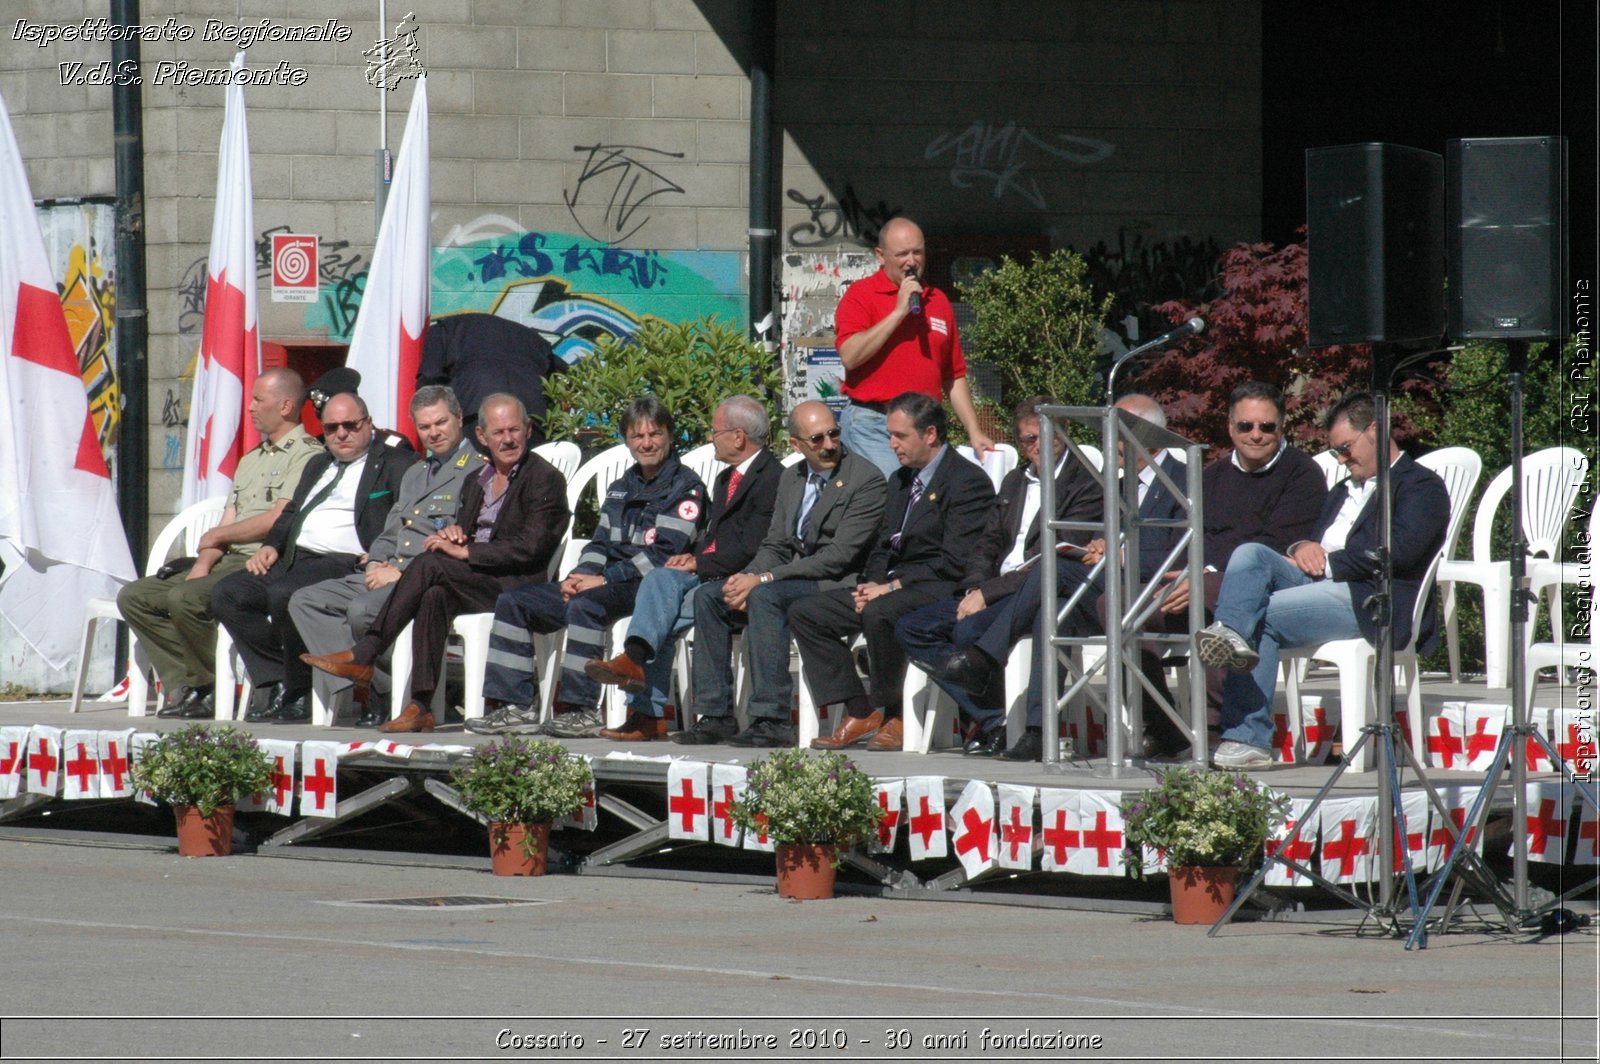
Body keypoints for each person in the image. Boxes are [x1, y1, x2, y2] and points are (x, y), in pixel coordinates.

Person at [1197, 391, 1450, 769]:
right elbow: (1312, 538)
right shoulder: (1343, 490)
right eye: (1336, 453)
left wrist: (1329, 563)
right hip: (1320, 583)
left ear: (1376, 431)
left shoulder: (1419, 487)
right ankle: (1229, 632)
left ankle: (1248, 737)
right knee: (1249, 554)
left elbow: (1397, 553)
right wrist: (1301, 546)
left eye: (1346, 448)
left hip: (1370, 597)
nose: (1343, 459)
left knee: (1259, 615)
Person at [303, 394, 570, 733]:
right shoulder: (479, 480)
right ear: (483, 437)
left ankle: (366, 652)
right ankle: (421, 706)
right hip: (477, 580)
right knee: (433, 596)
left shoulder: (543, 478)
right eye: (498, 432)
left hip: (517, 586)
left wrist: (467, 553)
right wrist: (458, 536)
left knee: (431, 565)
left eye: (514, 430)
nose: (507, 439)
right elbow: (469, 533)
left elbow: (531, 548)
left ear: (528, 430)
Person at [940, 393, 1185, 761]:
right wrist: (1102, 545)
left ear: (1146, 435)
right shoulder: (1119, 485)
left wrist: (1119, 552)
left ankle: (986, 658)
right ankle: (1040, 731)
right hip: (1103, 588)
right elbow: (990, 542)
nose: (1107, 443)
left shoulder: (1182, 480)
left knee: (1054, 571)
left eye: (1115, 434)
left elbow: (1187, 549)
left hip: (1151, 592)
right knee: (1051, 607)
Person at [480, 397, 706, 738]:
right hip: (604, 579)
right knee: (515, 602)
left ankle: (579, 710)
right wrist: (578, 576)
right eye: (637, 436)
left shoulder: (685, 487)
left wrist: (601, 579)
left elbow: (662, 555)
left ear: (670, 436)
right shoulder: (620, 488)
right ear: (627, 440)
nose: (646, 443)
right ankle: (513, 707)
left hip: (643, 586)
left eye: (655, 434)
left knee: (586, 606)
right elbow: (600, 543)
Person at [895, 396, 1103, 755]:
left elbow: (1057, 560)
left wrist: (988, 594)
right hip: (994, 587)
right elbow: (987, 544)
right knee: (911, 626)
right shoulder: (1014, 481)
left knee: (968, 630)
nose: (1037, 446)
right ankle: (995, 718)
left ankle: (989, 685)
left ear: (1065, 433)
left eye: (1046, 436)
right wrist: (975, 587)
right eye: (1027, 440)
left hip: (1033, 590)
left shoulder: (1084, 483)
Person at [674, 400, 887, 748]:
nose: (829, 445)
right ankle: (715, 715)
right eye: (817, 439)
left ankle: (771, 718)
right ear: (795, 445)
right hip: (792, 577)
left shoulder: (865, 480)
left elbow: (838, 557)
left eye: (834, 434)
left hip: (837, 582)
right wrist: (746, 577)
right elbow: (775, 544)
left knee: (765, 596)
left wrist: (764, 580)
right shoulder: (792, 478)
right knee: (710, 596)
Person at [793, 391, 994, 752]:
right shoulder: (900, 480)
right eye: (890, 435)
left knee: (881, 612)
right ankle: (860, 708)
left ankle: (896, 711)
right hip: (891, 586)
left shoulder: (966, 482)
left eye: (900, 436)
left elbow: (956, 561)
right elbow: (883, 544)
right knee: (807, 613)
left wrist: (891, 587)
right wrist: (870, 583)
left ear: (930, 434)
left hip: (939, 586)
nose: (892, 445)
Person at [118, 368, 324, 719]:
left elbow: (277, 519)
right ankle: (190, 682)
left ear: (287, 406)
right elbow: (228, 520)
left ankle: (208, 688)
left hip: (264, 560)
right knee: (135, 597)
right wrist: (203, 560)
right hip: (227, 558)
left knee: (185, 598)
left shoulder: (307, 455)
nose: (252, 407)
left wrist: (215, 537)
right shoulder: (251, 459)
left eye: (260, 399)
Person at [576, 395, 783, 742]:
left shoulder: (772, 478)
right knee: (659, 581)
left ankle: (646, 706)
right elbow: (716, 537)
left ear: (738, 436)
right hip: (709, 572)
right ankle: (640, 684)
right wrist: (695, 558)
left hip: (743, 581)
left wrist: (699, 561)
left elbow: (754, 545)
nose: (709, 439)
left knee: (663, 614)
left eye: (714, 432)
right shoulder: (725, 479)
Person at [1131, 381, 1328, 741]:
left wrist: (1204, 574)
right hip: (1197, 581)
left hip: (1264, 584)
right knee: (1116, 605)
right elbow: (1186, 538)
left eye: (1266, 427)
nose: (1256, 435)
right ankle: (1162, 723)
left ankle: (1218, 724)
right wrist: (1191, 573)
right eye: (1245, 426)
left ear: (1281, 427)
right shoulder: (1211, 477)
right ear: (1230, 427)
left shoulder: (1303, 475)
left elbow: (1274, 545)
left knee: (1217, 598)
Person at [287, 385, 486, 726]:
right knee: (305, 601)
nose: (433, 433)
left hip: (426, 577)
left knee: (361, 611)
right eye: (424, 427)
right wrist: (378, 561)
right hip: (388, 570)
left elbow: (466, 541)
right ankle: (376, 685)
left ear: (458, 419)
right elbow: (391, 531)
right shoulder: (415, 473)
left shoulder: (478, 472)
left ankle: (389, 698)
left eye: (441, 423)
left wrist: (402, 574)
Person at [211, 391, 415, 724]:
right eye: (332, 427)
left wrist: (382, 555)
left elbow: (406, 517)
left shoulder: (396, 463)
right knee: (227, 594)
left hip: (344, 560)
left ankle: (302, 690)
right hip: (293, 557)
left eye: (350, 425)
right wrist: (271, 545)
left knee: (284, 594)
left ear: (368, 424)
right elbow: (291, 511)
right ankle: (279, 676)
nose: (341, 434)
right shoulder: (318, 462)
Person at [833, 216, 994, 476]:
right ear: (881, 255)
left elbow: (953, 375)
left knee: (930, 500)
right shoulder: (861, 296)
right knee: (894, 495)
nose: (912, 262)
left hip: (925, 425)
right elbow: (850, 356)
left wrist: (974, 431)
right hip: (876, 423)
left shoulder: (937, 300)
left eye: (917, 252)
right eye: (902, 254)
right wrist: (898, 312)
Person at [417, 312, 562, 446]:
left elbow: (429, 380)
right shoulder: (533, 339)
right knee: (528, 471)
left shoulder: (442, 330)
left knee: (472, 470)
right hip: (532, 416)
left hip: (475, 411)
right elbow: (562, 379)